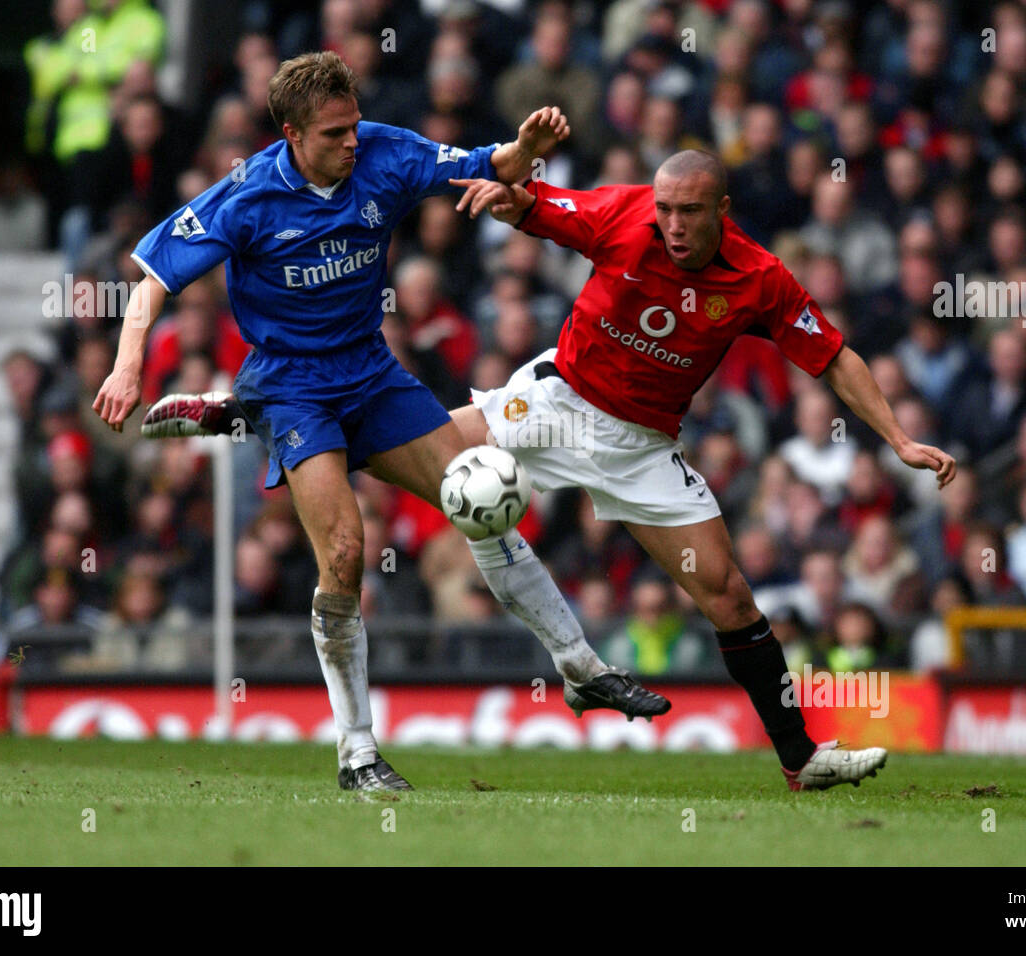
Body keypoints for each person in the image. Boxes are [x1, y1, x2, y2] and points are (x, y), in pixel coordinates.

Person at [151, 148, 958, 791]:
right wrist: (509, 199)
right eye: (664, 208)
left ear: (722, 212)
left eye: (687, 212)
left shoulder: (760, 280)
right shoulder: (623, 214)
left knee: (730, 595)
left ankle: (800, 757)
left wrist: (895, 440)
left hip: (642, 447)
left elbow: (833, 356)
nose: (671, 225)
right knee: (440, 464)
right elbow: (536, 205)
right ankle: (260, 406)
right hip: (555, 401)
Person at [93, 52, 666, 793]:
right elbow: (151, 277)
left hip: (369, 370)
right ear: (292, 134)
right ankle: (358, 752)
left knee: (479, 497)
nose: (351, 142)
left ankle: (581, 670)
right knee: (346, 548)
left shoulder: (386, 153)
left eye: (354, 125)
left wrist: (528, 148)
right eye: (334, 133)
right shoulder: (246, 194)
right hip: (296, 385)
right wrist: (126, 364)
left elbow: (493, 161)